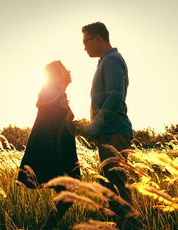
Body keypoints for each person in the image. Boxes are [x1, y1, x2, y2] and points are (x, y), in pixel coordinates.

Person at [17, 60, 80, 230]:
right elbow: (52, 108)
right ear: (56, 74)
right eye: (63, 69)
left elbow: (60, 117)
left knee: (67, 194)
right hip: (54, 151)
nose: (68, 71)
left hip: (61, 148)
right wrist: (64, 86)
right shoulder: (48, 92)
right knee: (68, 194)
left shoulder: (56, 93)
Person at [76, 22, 133, 217]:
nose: (84, 47)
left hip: (114, 133)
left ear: (98, 38)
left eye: (86, 41)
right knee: (111, 188)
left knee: (118, 188)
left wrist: (94, 126)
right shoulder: (106, 61)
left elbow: (115, 96)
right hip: (108, 133)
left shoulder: (112, 60)